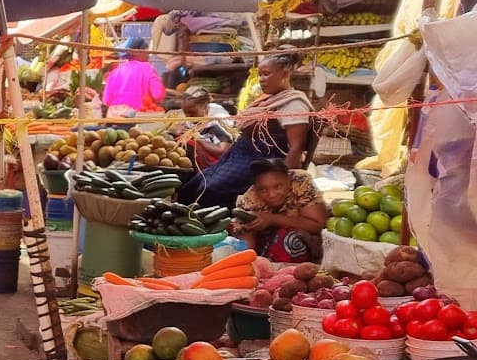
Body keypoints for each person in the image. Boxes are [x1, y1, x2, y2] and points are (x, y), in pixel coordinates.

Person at [181, 53, 313, 210]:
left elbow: (296, 147)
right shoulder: (268, 99)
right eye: (260, 75)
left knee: (209, 190)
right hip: (238, 155)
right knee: (191, 186)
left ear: (285, 74)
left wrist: (285, 182)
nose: (261, 79)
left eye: (266, 74)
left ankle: (214, 226)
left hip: (261, 160)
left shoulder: (294, 104)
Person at [232, 159, 328, 264]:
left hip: (309, 243)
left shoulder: (300, 181)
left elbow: (317, 224)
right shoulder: (248, 201)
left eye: (278, 186)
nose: (272, 195)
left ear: (288, 178)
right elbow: (247, 242)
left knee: (289, 239)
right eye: (263, 190)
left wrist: (271, 219)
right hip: (267, 251)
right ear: (255, 188)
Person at [102, 37, 165, 116]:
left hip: (114, 118)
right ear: (138, 52)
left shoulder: (115, 72)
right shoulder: (147, 68)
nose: (148, 54)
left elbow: (106, 100)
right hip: (138, 117)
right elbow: (158, 94)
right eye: (146, 50)